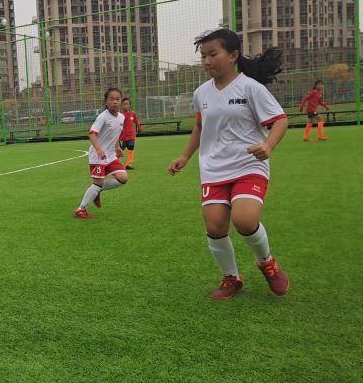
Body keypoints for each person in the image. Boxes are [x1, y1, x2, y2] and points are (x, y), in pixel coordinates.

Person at [168, 28, 290, 300]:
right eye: (204, 56)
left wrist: (268, 145)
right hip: (213, 169)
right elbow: (201, 127)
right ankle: (231, 277)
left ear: (233, 55)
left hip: (248, 165)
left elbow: (280, 120)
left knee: (245, 220)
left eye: (213, 54)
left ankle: (267, 263)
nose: (207, 61)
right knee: (215, 227)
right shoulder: (202, 93)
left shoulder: (250, 88)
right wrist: (184, 156)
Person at [74, 88, 128, 219]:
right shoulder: (102, 117)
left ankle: (97, 190)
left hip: (110, 156)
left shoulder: (121, 117)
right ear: (106, 102)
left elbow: (113, 135)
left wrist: (118, 147)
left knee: (123, 178)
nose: (115, 102)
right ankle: (81, 209)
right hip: (97, 156)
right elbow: (92, 134)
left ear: (121, 101)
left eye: (118, 99)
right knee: (97, 182)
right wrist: (98, 149)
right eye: (111, 99)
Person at [119, 97, 143, 169]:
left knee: (131, 148)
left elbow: (136, 121)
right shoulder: (120, 115)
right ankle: (114, 164)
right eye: (124, 104)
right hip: (122, 137)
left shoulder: (133, 113)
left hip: (131, 135)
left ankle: (128, 164)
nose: (126, 105)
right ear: (122, 105)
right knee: (120, 151)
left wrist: (139, 127)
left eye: (127, 104)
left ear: (130, 105)